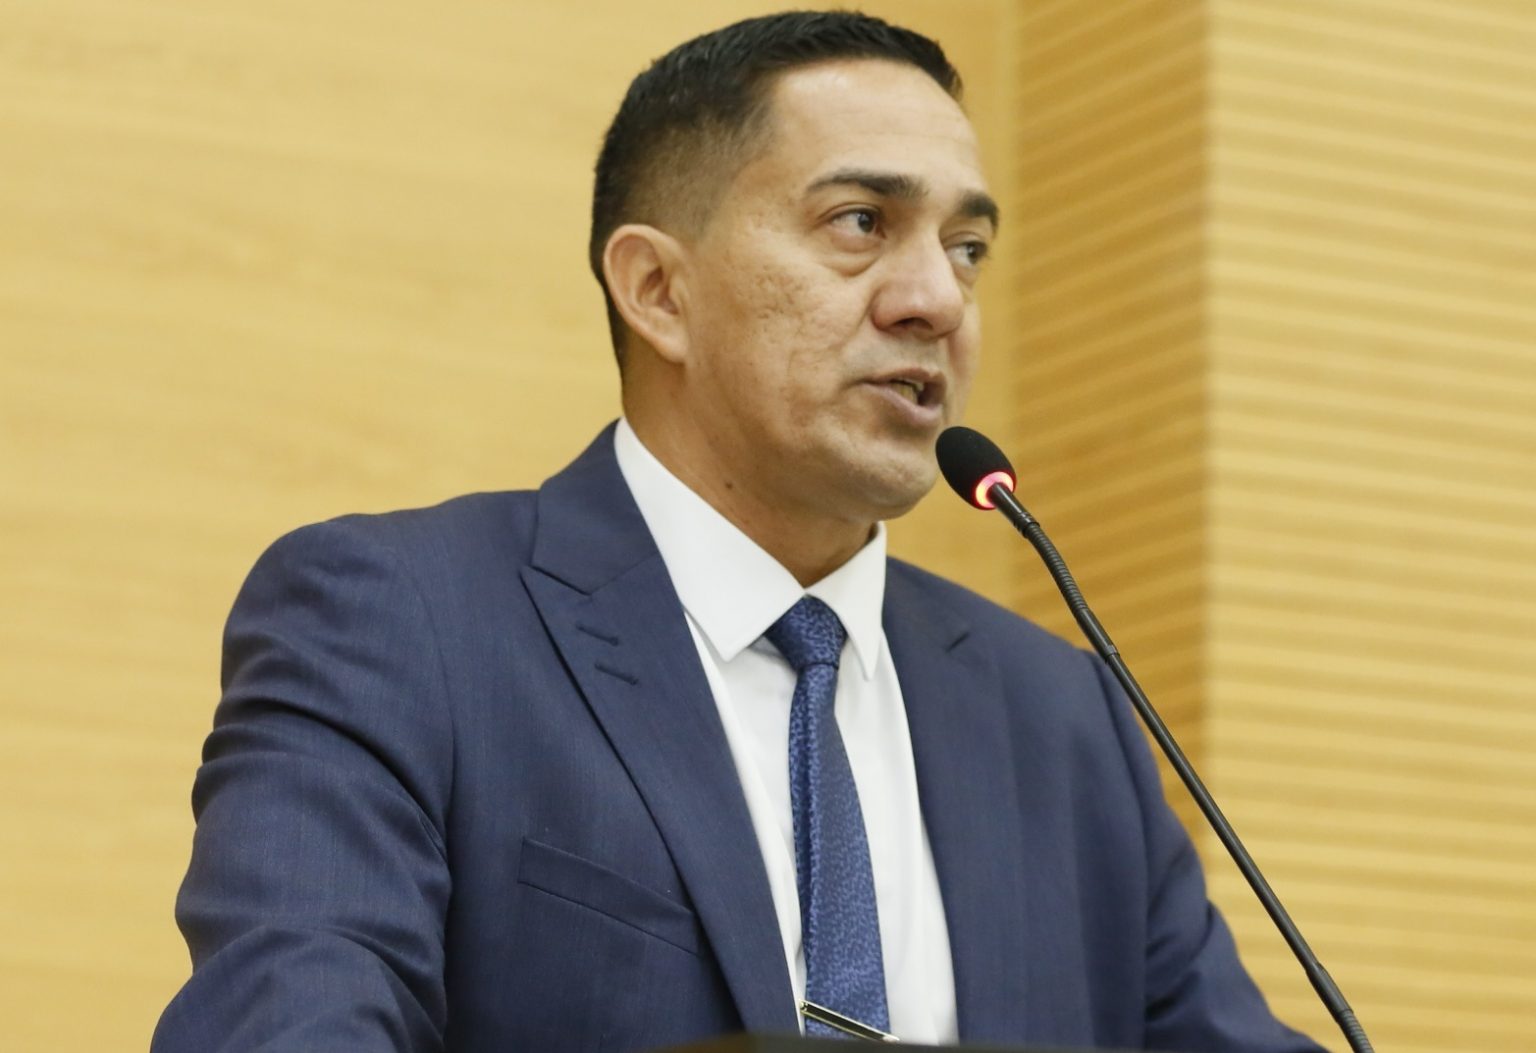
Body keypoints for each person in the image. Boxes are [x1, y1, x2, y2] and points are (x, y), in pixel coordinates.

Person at [153, 11, 1325, 1053]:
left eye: (966, 249)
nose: (937, 300)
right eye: (861, 223)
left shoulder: (1063, 718)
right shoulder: (405, 623)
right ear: (658, 291)